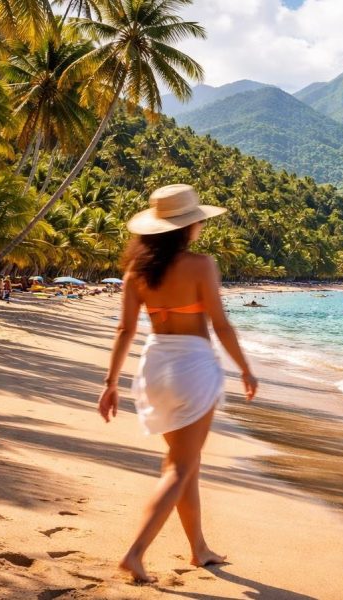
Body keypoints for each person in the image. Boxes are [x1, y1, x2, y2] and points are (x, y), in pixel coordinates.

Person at [97, 184, 258, 583]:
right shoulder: (202, 265)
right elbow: (220, 325)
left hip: (154, 368)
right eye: (197, 218)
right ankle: (135, 554)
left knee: (187, 464)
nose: (201, 223)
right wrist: (245, 369)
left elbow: (125, 329)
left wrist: (111, 382)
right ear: (187, 226)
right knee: (180, 466)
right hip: (192, 369)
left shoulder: (136, 272)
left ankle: (198, 548)